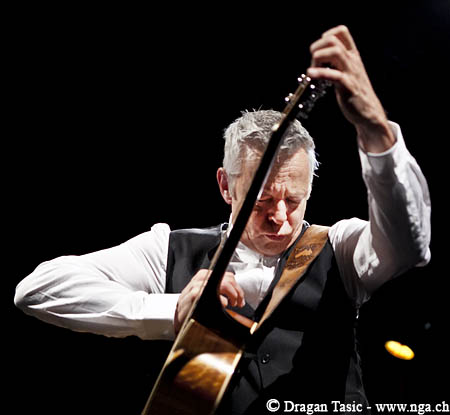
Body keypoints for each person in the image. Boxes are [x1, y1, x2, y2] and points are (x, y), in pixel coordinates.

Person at [14, 25, 431, 414]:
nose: (280, 218)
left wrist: (377, 133)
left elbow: (409, 246)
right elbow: (36, 290)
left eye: (294, 199)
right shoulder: (170, 250)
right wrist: (174, 310)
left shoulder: (340, 248)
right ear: (225, 186)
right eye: (261, 201)